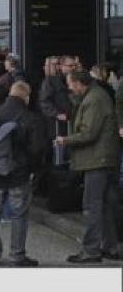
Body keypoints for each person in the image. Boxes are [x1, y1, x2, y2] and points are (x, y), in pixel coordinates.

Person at [55, 71, 121, 263]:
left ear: (78, 83)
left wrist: (65, 140)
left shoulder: (94, 99)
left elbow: (89, 133)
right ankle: (110, 247)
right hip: (106, 159)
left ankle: (91, 250)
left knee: (92, 205)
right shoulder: (96, 95)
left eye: (70, 84)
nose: (69, 88)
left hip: (97, 160)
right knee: (106, 206)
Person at [0, 82, 46, 267]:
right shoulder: (30, 118)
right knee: (18, 214)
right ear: (26, 97)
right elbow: (37, 150)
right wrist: (33, 170)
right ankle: (17, 255)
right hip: (18, 173)